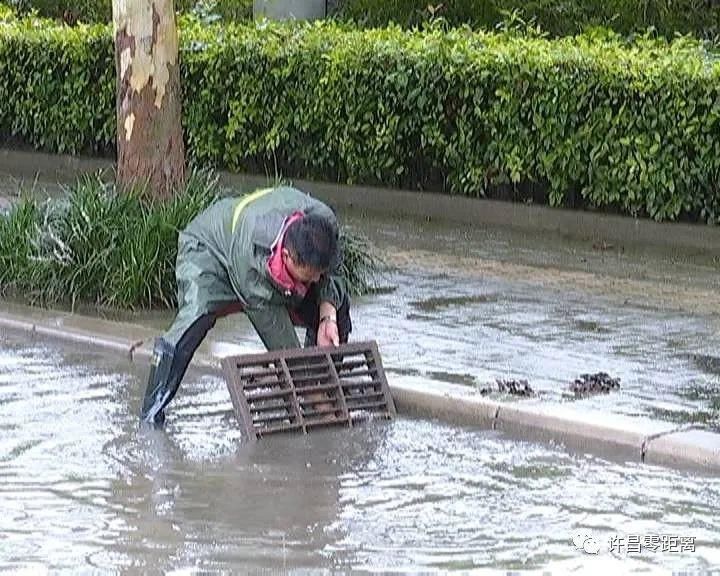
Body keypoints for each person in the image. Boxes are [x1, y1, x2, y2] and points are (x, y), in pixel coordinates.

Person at [140, 185, 352, 426]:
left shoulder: (323, 222)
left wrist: (328, 317)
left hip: (252, 245)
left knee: (338, 302)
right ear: (287, 258)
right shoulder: (252, 272)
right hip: (208, 252)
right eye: (309, 276)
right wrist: (328, 411)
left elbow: (332, 273)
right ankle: (151, 414)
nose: (315, 280)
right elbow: (285, 349)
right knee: (194, 321)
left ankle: (324, 380)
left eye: (317, 274)